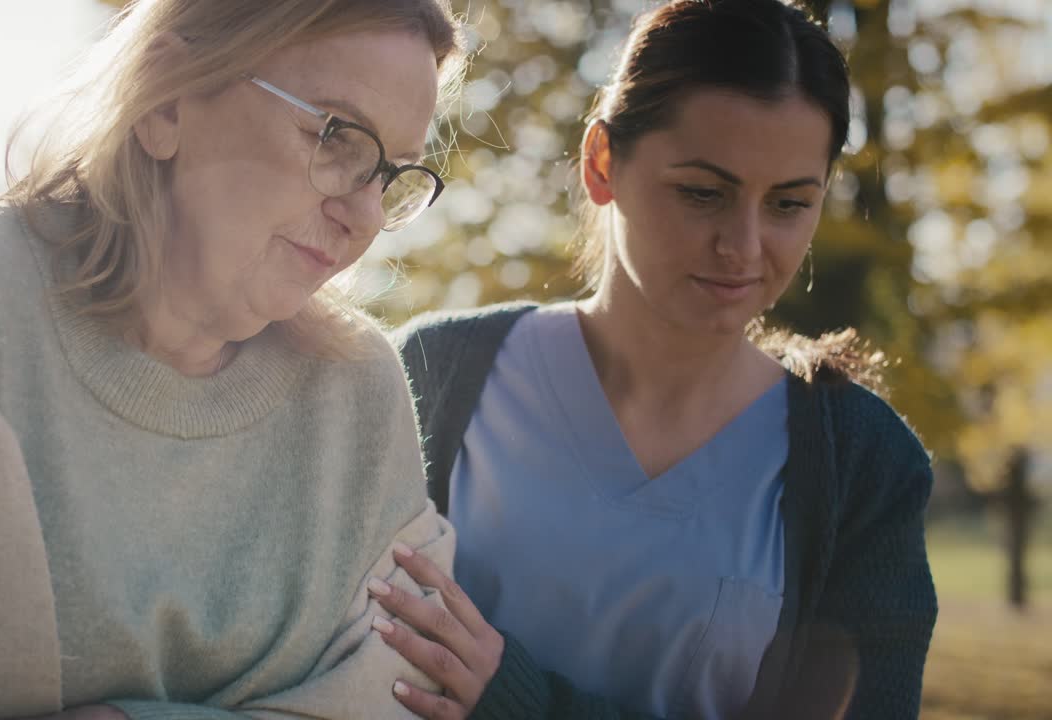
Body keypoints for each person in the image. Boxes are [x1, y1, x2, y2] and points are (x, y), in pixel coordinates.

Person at [0, 1, 468, 718]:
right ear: (167, 99)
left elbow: (396, 700)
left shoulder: (358, 394)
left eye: (391, 174)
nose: (367, 217)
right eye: (336, 136)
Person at [373, 0, 938, 718]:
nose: (743, 245)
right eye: (703, 193)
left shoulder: (865, 467)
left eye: (790, 204)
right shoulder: (436, 372)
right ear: (602, 162)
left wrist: (517, 701)